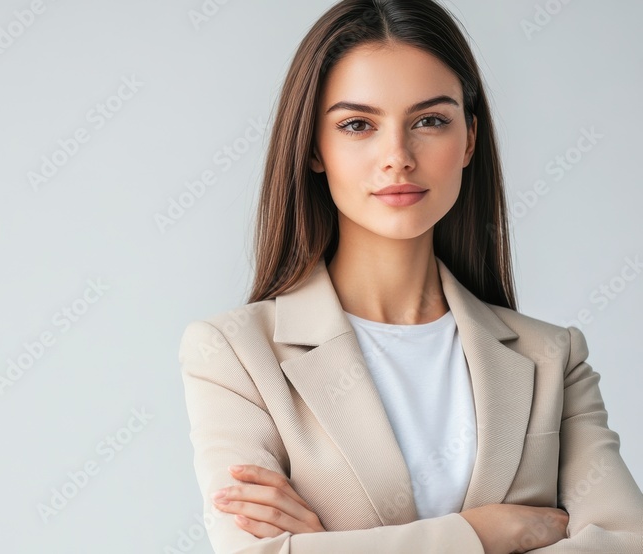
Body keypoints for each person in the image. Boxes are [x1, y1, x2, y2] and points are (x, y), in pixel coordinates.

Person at [177, 1, 643, 552]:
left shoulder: (553, 358)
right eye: (357, 125)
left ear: (469, 139)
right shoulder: (235, 354)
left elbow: (626, 541)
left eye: (430, 121)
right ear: (313, 147)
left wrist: (332, 546)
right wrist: (485, 533)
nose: (397, 156)